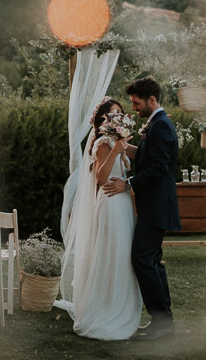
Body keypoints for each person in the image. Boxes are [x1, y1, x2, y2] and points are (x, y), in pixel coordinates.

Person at [60, 96, 144, 340]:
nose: (116, 116)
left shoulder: (117, 140)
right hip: (109, 203)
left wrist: (151, 138)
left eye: (119, 112)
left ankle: (122, 306)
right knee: (112, 253)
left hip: (124, 203)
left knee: (123, 254)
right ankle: (106, 310)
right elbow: (100, 177)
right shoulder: (102, 143)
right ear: (103, 120)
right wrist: (116, 150)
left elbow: (140, 154)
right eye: (112, 114)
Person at [103, 76, 180, 341]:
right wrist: (121, 145)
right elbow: (147, 155)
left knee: (142, 259)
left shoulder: (160, 125)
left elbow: (159, 167)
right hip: (154, 205)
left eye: (136, 103)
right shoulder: (156, 123)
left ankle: (161, 321)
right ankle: (164, 320)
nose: (133, 108)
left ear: (151, 100)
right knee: (152, 261)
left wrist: (128, 183)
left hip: (157, 205)